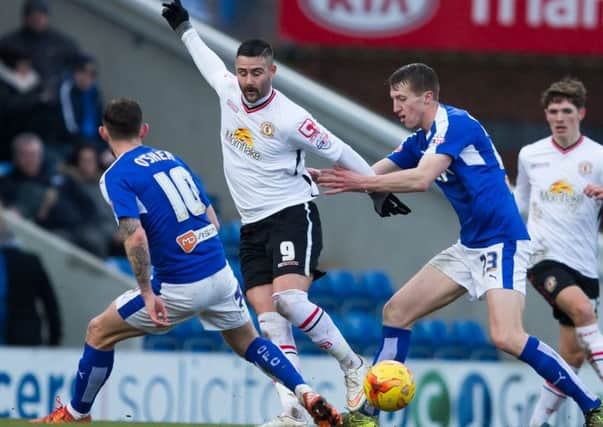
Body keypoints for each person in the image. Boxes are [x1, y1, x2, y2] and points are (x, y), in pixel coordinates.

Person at [160, 2, 409, 427]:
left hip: (292, 214)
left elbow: (341, 150)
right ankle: (293, 406)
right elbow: (206, 61)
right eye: (242, 73)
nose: (248, 81)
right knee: (270, 322)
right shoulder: (228, 91)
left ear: (271, 72)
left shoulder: (293, 117)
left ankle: (352, 365)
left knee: (290, 301)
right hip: (252, 225)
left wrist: (374, 189)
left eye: (257, 73)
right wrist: (184, 26)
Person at [317, 63, 603, 427]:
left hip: (502, 242)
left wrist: (358, 184)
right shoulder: (421, 138)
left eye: (401, 99)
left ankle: (593, 405)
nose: (396, 108)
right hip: (469, 247)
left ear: (428, 97)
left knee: (507, 336)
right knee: (396, 311)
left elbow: (421, 179)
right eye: (393, 100)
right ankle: (368, 415)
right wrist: (318, 178)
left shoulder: (456, 124)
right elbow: (372, 171)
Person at [31, 98, 342, 427]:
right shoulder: (172, 160)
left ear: (103, 133)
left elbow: (135, 237)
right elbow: (214, 220)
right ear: (144, 130)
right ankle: (305, 392)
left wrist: (148, 294)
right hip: (220, 273)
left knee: (98, 331)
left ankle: (76, 415)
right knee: (251, 343)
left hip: (177, 286)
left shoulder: (115, 176)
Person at [514, 78, 603, 427]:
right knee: (582, 310)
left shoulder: (598, 156)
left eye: (567, 111)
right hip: (542, 256)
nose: (560, 118)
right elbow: (519, 200)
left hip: (585, 262)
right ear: (547, 115)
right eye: (553, 112)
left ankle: (536, 423)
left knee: (571, 356)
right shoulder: (531, 155)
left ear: (581, 113)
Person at [0, 205, 62, 346]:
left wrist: (53, 342)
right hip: (24, 344)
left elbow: (50, 304)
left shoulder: (28, 262)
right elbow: (50, 306)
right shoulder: (29, 261)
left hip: (21, 346)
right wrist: (54, 342)